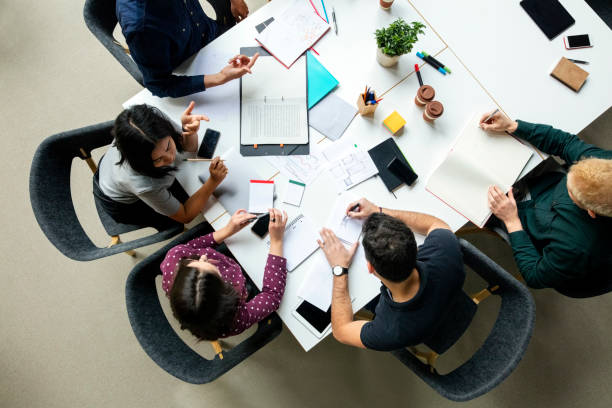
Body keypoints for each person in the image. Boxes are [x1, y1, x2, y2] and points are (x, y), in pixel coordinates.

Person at [480, 111, 612, 291]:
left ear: (591, 211)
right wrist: (512, 126)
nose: (567, 182)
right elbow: (566, 144)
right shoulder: (605, 165)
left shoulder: (575, 249)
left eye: (570, 190)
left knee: (472, 198)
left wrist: (512, 221)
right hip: (547, 187)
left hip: (527, 224)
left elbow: (534, 276)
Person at [317, 198, 465, 351]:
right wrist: (379, 211)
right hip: (447, 296)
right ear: (415, 246)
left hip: (420, 330)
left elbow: (341, 331)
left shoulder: (390, 330)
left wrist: (339, 268)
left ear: (370, 268)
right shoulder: (446, 251)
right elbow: (436, 224)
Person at [94, 102, 227, 230]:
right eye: (158, 159)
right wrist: (213, 182)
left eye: (168, 146)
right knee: (180, 209)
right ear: (142, 161)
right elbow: (186, 216)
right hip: (123, 204)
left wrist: (189, 132)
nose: (171, 158)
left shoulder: (151, 126)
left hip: (110, 170)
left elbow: (189, 149)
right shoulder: (143, 184)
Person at [161, 208, 288, 340]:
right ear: (227, 292)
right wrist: (277, 241)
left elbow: (191, 247)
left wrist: (228, 230)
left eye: (195, 260)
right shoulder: (234, 320)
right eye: (210, 266)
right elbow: (272, 296)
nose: (203, 256)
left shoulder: (175, 257)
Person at [116, 0, 258, 97]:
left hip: (211, 34)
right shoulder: (140, 27)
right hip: (188, 69)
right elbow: (159, 85)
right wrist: (220, 78)